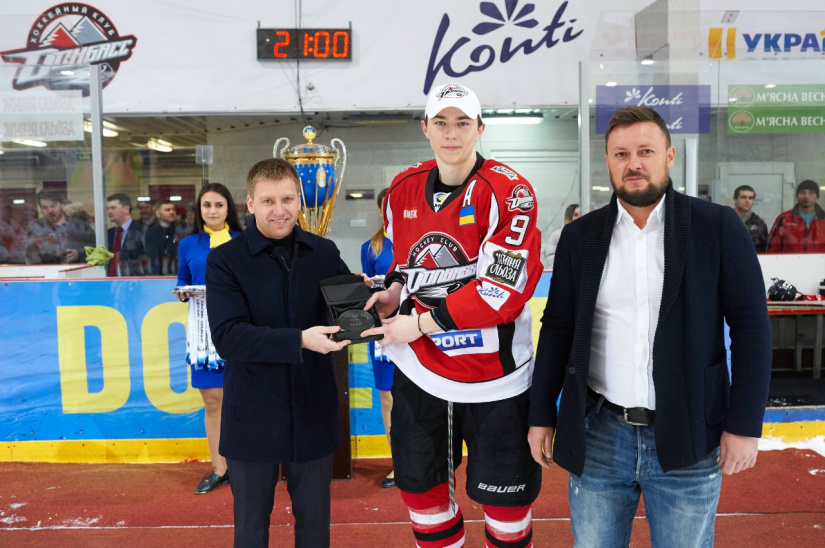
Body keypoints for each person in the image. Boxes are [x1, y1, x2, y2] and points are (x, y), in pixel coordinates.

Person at [527, 106, 772, 546]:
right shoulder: (580, 237)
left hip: (688, 432)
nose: (633, 163)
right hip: (599, 435)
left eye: (645, 151)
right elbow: (558, 328)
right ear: (608, 161)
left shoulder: (716, 227)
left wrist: (744, 424)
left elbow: (751, 328)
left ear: (669, 156)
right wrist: (541, 414)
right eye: (621, 154)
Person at [360, 82, 544, 548]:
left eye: (462, 122)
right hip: (421, 371)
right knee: (422, 497)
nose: (451, 133)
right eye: (441, 122)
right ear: (426, 128)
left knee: (506, 508)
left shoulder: (510, 192)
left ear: (480, 129)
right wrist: (393, 291)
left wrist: (419, 324)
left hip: (495, 377)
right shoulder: (402, 189)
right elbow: (406, 261)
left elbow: (500, 292)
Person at [206, 158, 352, 547]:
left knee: (315, 532)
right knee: (251, 531)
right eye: (268, 201)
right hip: (252, 416)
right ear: (251, 203)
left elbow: (346, 313)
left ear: (299, 201)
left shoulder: (323, 252)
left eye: (287, 199)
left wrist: (375, 305)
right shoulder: (225, 260)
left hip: (312, 412)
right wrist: (300, 340)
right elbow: (229, 337)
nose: (279, 210)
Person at [176, 183, 242, 495]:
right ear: (199, 210)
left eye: (218, 204)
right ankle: (220, 468)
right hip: (203, 333)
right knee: (213, 401)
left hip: (241, 327)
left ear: (229, 208)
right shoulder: (188, 244)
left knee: (244, 400)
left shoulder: (245, 240)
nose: (212, 211)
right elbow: (183, 280)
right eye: (206, 205)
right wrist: (182, 292)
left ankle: (247, 465)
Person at [360, 187, 397, 489]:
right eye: (385, 206)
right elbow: (369, 293)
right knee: (388, 396)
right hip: (384, 330)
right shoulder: (370, 248)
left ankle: (426, 460)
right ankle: (399, 463)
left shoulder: (420, 239)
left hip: (418, 328)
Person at [25, 190, 94, 264]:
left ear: (62, 205)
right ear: (41, 208)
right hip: (46, 270)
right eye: (45, 207)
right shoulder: (36, 228)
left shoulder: (80, 226)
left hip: (77, 270)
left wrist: (79, 255)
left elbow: (95, 252)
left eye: (53, 206)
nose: (49, 211)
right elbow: (30, 256)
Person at [766, 179, 825, 253]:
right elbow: (772, 248)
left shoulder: (823, 218)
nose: (806, 196)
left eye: (811, 193)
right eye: (802, 192)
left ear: (817, 197)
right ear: (797, 196)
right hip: (790, 260)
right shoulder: (784, 219)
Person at [106, 193, 147, 276]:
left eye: (113, 208)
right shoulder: (108, 234)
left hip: (134, 281)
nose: (109, 211)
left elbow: (149, 262)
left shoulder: (143, 231)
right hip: (109, 281)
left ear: (126, 209)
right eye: (108, 208)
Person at [146, 199, 179, 275]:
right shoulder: (151, 231)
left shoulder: (178, 229)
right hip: (158, 274)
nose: (172, 212)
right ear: (158, 214)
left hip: (177, 272)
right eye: (167, 210)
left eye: (173, 209)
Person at [540, 203, 579, 269]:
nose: (579, 217)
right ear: (568, 216)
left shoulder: (587, 235)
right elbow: (551, 257)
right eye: (575, 215)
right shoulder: (558, 235)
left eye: (580, 214)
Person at [732, 185, 768, 253]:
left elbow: (763, 249)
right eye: (743, 197)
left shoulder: (759, 224)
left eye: (750, 198)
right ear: (735, 200)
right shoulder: (725, 220)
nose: (747, 201)